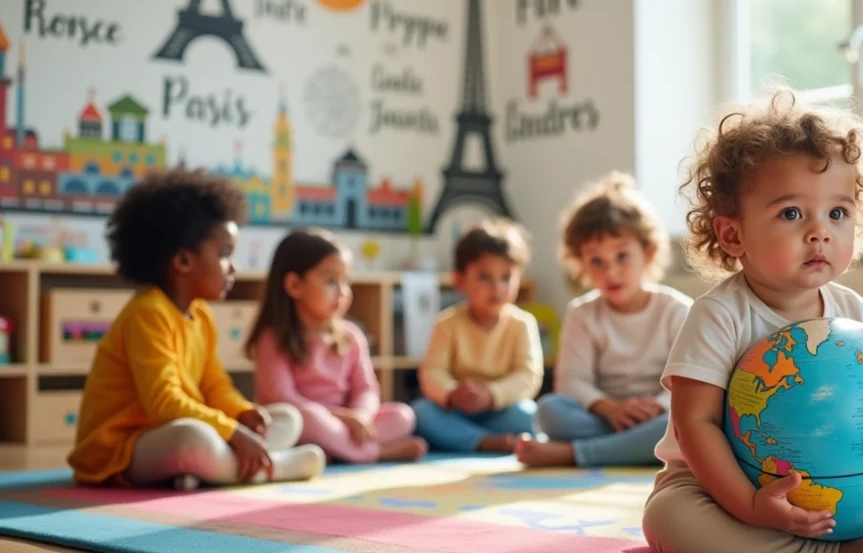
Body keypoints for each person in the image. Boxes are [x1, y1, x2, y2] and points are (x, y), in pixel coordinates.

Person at [641, 89, 863, 553]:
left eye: (838, 213)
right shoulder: (719, 314)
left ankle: (837, 544)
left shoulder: (860, 315)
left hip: (848, 495)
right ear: (733, 234)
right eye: (791, 213)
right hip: (721, 488)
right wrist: (749, 505)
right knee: (670, 519)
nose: (819, 231)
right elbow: (695, 424)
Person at [68, 169, 325, 489]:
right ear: (183, 261)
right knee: (192, 439)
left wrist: (242, 412)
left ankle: (209, 469)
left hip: (168, 435)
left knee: (286, 417)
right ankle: (270, 467)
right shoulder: (148, 313)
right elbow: (164, 404)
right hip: (121, 448)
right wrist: (230, 431)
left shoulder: (200, 316)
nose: (234, 267)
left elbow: (214, 384)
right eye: (225, 254)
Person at [517, 172, 692, 467]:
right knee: (549, 411)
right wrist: (609, 407)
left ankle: (574, 454)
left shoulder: (676, 309)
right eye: (596, 261)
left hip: (660, 416)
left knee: (687, 422)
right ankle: (629, 448)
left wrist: (655, 410)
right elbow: (572, 381)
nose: (610, 272)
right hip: (604, 417)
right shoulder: (581, 314)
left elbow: (688, 383)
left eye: (622, 256)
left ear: (647, 253)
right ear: (581, 263)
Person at [246, 228, 427, 464]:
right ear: (294, 285)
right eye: (331, 281)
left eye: (346, 281)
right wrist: (343, 418)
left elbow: (366, 389)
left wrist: (360, 415)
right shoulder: (272, 339)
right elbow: (284, 398)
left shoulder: (352, 336)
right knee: (307, 417)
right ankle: (375, 453)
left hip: (346, 424)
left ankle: (337, 451)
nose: (343, 292)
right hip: (304, 423)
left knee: (403, 415)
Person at [412, 218, 544, 453]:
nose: (497, 288)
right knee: (422, 413)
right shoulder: (446, 324)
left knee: (532, 415)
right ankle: (482, 441)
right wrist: (453, 394)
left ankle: (470, 439)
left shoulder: (522, 324)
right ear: (460, 280)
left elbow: (528, 376)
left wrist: (492, 395)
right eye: (484, 277)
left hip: (501, 410)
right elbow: (432, 372)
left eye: (506, 277)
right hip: (457, 411)